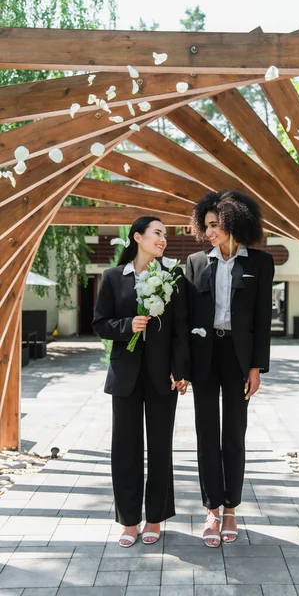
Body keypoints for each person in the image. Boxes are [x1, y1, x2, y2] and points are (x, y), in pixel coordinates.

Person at [92, 216, 190, 547]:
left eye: (165, 234)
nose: (163, 239)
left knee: (160, 447)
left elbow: (180, 330)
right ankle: (129, 520)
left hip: (163, 377)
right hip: (125, 376)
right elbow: (100, 323)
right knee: (125, 449)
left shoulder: (173, 277)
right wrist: (127, 326)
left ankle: (155, 518)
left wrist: (181, 370)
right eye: (157, 233)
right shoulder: (112, 278)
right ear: (138, 237)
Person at [186, 190, 274, 548]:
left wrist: (256, 367)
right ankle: (211, 509)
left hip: (239, 359)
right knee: (206, 434)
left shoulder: (260, 263)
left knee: (234, 434)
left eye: (214, 225)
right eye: (205, 225)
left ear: (233, 221)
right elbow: (187, 317)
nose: (209, 232)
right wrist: (183, 366)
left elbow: (263, 319)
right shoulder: (194, 262)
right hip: (205, 357)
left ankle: (232, 508)